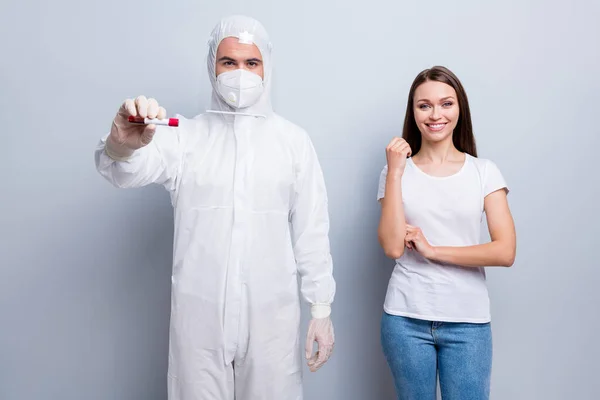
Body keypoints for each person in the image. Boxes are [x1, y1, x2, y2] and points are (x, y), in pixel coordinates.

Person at [94, 15, 335, 400]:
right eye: (229, 63)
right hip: (199, 317)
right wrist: (122, 143)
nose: (240, 74)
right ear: (212, 66)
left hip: (271, 315)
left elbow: (312, 230)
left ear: (266, 68)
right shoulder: (183, 137)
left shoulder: (292, 142)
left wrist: (320, 306)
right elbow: (124, 172)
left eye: (251, 63)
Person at [376, 66, 516, 400]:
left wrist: (433, 250)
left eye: (446, 104)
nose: (435, 114)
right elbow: (393, 247)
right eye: (424, 105)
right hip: (405, 319)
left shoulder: (484, 172)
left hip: (468, 321)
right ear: (413, 112)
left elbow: (505, 252)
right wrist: (395, 172)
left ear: (459, 109)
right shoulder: (394, 172)